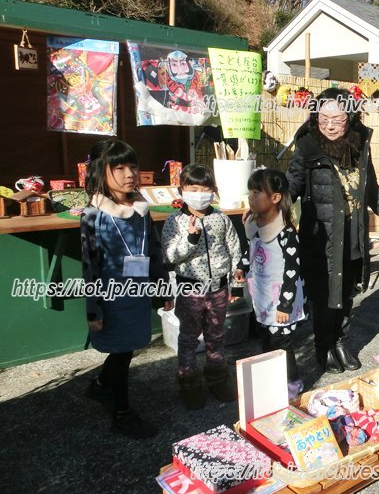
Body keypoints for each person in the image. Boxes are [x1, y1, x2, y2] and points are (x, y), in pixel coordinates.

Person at [286, 88, 379, 374]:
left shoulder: (360, 145)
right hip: (321, 236)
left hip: (353, 232)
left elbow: (370, 188)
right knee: (324, 297)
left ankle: (339, 342)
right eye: (324, 118)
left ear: (350, 116)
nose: (331, 125)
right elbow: (291, 186)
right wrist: (269, 204)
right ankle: (322, 347)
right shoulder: (307, 146)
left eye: (338, 118)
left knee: (347, 293)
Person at [81, 139, 171, 438]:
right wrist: (93, 308)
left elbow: (154, 251)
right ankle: (121, 413)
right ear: (99, 171)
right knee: (120, 352)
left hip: (138, 294)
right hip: (111, 296)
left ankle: (100, 386)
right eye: (118, 168)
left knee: (127, 348)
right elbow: (90, 265)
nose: (129, 173)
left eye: (132, 166)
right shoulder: (94, 214)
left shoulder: (141, 210)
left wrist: (163, 287)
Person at [161, 164, 241, 410]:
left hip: (218, 289)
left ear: (213, 191)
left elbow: (235, 251)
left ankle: (217, 378)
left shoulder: (221, 219)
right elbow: (169, 255)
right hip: (189, 290)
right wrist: (190, 239)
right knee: (188, 338)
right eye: (193, 188)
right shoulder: (175, 221)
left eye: (205, 188)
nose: (199, 193)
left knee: (216, 336)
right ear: (182, 190)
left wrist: (236, 285)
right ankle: (189, 383)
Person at [237, 168, 306, 397]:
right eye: (250, 192)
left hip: (281, 299)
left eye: (257, 192)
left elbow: (292, 270)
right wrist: (241, 267)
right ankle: (272, 379)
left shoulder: (286, 233)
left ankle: (292, 384)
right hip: (264, 297)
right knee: (266, 339)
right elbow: (251, 251)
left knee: (282, 343)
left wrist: (285, 305)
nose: (251, 197)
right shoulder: (256, 227)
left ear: (275, 198)